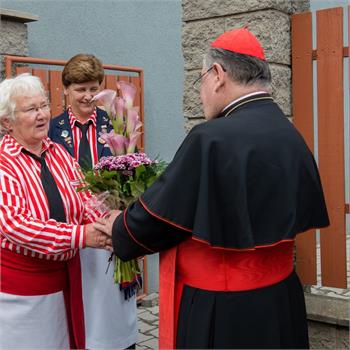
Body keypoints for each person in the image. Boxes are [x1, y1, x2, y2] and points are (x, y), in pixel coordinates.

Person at [94, 28, 330, 349]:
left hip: (224, 310)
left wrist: (119, 228)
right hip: (281, 300)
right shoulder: (288, 132)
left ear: (218, 75)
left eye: (201, 80)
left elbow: (161, 218)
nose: (201, 91)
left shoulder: (211, 137)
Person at [0, 73, 111, 349]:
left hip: (63, 282)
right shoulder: (3, 163)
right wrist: (81, 236)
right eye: (30, 109)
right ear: (7, 122)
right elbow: (15, 225)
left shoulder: (59, 153)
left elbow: (85, 199)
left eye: (43, 106)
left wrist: (109, 224)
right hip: (20, 295)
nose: (42, 115)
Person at [49, 54, 138, 350]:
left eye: (92, 88)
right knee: (82, 299)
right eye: (80, 89)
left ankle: (121, 343)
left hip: (112, 225)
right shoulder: (51, 130)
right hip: (74, 231)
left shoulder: (115, 125)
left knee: (111, 302)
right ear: (66, 90)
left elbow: (131, 168)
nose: (87, 96)